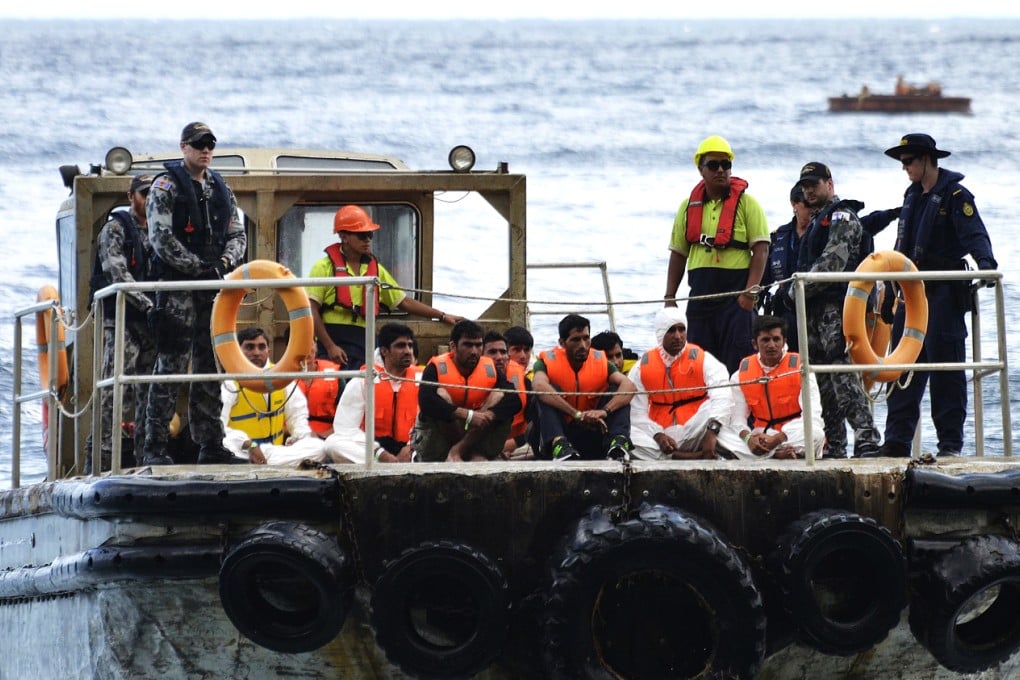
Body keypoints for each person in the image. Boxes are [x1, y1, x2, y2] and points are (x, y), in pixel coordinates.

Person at [878, 134, 997, 457]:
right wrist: (890, 292)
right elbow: (901, 249)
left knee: (947, 370)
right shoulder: (911, 196)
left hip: (942, 293)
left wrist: (985, 265)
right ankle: (896, 442)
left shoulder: (956, 195)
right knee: (901, 369)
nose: (905, 168)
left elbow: (975, 234)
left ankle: (949, 445)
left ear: (928, 159)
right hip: (909, 294)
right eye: (902, 163)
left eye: (909, 161)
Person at [142, 122, 247, 466]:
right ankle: (154, 445)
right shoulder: (165, 186)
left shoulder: (220, 188)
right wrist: (196, 267)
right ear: (183, 146)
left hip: (211, 289)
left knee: (209, 367)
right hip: (176, 290)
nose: (206, 150)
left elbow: (237, 233)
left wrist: (222, 263)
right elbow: (161, 239)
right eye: (199, 144)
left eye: (210, 145)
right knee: (170, 365)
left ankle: (211, 444)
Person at [791, 161, 881, 458]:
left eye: (814, 185)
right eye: (805, 187)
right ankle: (836, 444)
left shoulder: (842, 216)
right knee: (823, 380)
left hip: (836, 305)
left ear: (829, 184)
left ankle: (866, 437)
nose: (809, 191)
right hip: (814, 309)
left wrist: (797, 287)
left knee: (841, 372)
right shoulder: (817, 220)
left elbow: (834, 261)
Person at [307, 204, 462, 370]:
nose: (367, 239)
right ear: (344, 237)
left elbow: (404, 302)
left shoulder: (376, 270)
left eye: (370, 234)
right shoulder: (323, 268)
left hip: (363, 340)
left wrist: (442, 315)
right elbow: (310, 309)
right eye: (362, 235)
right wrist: (330, 346)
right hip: (331, 340)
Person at [664, 135, 771, 375]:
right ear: (701, 169)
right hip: (700, 298)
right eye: (713, 165)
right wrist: (670, 296)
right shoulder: (687, 207)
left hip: (737, 299)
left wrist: (750, 293)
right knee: (698, 365)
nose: (721, 170)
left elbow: (761, 250)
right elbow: (678, 253)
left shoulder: (748, 204)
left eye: (726, 165)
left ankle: (739, 412)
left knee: (739, 364)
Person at [86, 174, 157, 471]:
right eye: (144, 193)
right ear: (131, 197)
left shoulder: (161, 231)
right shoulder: (115, 230)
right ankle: (100, 458)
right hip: (123, 320)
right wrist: (150, 304)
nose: (149, 199)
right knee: (115, 389)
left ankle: (146, 456)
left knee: (149, 390)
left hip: (152, 322)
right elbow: (117, 274)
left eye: (154, 193)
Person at [629, 308, 745, 460]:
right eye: (671, 331)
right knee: (628, 436)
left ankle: (700, 449)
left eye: (681, 329)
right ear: (660, 333)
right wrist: (658, 435)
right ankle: (686, 456)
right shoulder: (641, 367)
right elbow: (636, 413)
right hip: (661, 437)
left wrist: (711, 433)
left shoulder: (703, 359)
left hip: (698, 431)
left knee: (715, 406)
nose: (678, 336)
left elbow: (722, 395)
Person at [530, 314, 635, 460]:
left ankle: (618, 443)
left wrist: (603, 411)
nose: (583, 345)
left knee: (618, 391)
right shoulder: (546, 362)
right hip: (562, 430)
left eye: (586, 338)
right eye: (576, 340)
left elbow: (629, 386)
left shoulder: (601, 361)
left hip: (594, 431)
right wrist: (576, 414)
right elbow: (538, 386)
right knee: (544, 393)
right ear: (562, 342)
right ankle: (559, 446)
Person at [414, 320, 520, 462]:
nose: (474, 351)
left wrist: (487, 414)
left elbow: (515, 401)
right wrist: (468, 415)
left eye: (478, 345)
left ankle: (460, 450)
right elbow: (426, 401)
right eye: (468, 345)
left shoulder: (490, 368)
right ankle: (467, 452)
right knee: (441, 395)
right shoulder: (436, 367)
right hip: (442, 438)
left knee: (499, 394)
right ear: (453, 346)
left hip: (478, 434)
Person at [220, 327, 326, 466]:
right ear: (238, 351)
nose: (256, 352)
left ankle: (269, 463)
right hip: (244, 451)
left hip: (276, 452)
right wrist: (248, 445)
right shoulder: (229, 382)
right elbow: (218, 426)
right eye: (250, 347)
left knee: (319, 448)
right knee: (223, 445)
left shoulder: (282, 378)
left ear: (268, 351)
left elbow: (298, 417)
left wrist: (299, 437)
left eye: (261, 347)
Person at [730, 315, 824, 459]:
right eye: (765, 340)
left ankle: (770, 454)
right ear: (755, 344)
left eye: (776, 339)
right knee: (722, 435)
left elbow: (813, 415)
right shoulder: (739, 375)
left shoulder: (801, 368)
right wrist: (749, 439)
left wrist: (777, 439)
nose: (771, 345)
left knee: (816, 434)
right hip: (760, 436)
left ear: (784, 341)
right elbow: (737, 420)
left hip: (792, 435)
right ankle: (777, 454)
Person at [325, 323, 420, 464]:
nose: (408, 351)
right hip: (372, 449)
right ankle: (382, 465)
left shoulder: (422, 380)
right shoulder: (363, 380)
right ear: (384, 351)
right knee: (332, 444)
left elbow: (430, 426)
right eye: (400, 346)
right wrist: (380, 453)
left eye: (410, 346)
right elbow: (345, 428)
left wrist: (411, 446)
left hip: (410, 449)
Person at [483, 330, 531, 457]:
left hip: (517, 444)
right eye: (493, 352)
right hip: (480, 442)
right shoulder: (469, 380)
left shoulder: (525, 382)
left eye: (503, 352)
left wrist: (514, 443)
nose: (499, 357)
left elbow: (536, 423)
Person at [296, 344, 344, 439]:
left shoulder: (336, 376)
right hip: (292, 437)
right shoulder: (280, 378)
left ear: (316, 347)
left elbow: (347, 418)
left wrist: (323, 436)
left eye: (310, 343)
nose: (307, 351)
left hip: (329, 438)